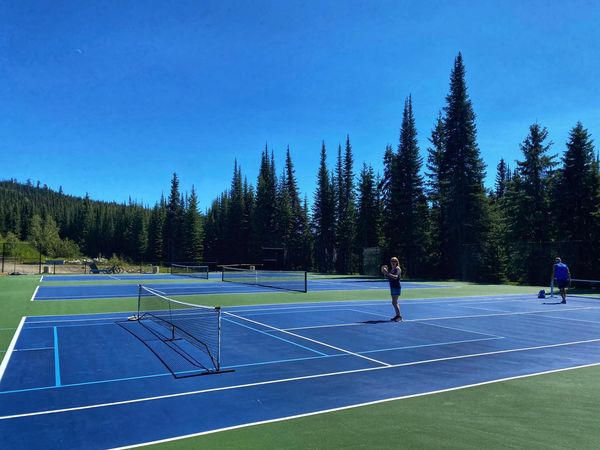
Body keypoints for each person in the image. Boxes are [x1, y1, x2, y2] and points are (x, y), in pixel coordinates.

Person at [382, 257, 402, 321]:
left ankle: (399, 316)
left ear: (397, 262)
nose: (393, 262)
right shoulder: (392, 269)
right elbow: (389, 277)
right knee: (394, 302)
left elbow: (395, 277)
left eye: (394, 261)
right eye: (392, 261)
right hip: (393, 286)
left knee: (394, 302)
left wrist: (387, 273)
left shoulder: (397, 268)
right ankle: (397, 315)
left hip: (396, 286)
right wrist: (386, 273)